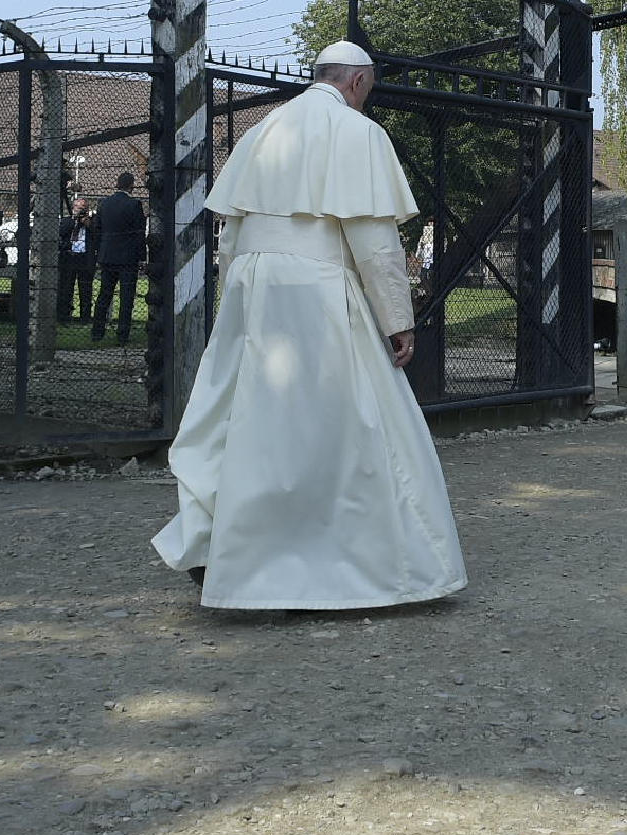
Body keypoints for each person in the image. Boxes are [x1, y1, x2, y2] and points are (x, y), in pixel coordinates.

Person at [152, 40, 465, 611]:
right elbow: (374, 242)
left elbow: (231, 234)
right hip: (316, 289)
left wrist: (234, 304)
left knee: (244, 418)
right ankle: (330, 563)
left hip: (252, 287)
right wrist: (398, 318)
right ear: (359, 81)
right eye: (368, 89)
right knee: (338, 425)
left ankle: (223, 546)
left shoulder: (262, 131)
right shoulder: (358, 133)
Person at [90, 173, 145, 344]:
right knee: (126, 298)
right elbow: (139, 233)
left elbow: (97, 229)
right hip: (128, 257)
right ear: (132, 186)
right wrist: (142, 256)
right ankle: (122, 334)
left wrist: (100, 250)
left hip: (108, 256)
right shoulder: (134, 205)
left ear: (117, 184)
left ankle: (97, 332)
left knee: (104, 295)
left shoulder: (104, 203)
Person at [58, 196, 95, 322]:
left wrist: (87, 222)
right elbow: (62, 232)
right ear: (73, 208)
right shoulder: (67, 221)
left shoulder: (91, 222)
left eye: (84, 208)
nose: (81, 210)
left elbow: (97, 234)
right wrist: (75, 220)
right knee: (66, 287)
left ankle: (85, 316)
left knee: (85, 289)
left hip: (85, 258)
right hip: (69, 257)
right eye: (79, 208)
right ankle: (64, 314)